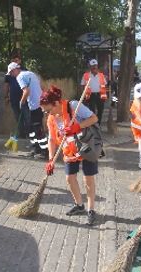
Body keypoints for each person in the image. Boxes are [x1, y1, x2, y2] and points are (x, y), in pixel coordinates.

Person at [41, 85, 100, 225]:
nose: (46, 113)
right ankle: (79, 205)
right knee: (69, 178)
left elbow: (94, 118)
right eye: (44, 111)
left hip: (86, 146)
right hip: (69, 150)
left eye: (47, 109)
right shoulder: (51, 118)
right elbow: (51, 139)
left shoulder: (73, 105)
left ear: (55, 103)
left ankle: (91, 210)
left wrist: (77, 126)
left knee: (88, 179)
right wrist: (51, 159)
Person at [8, 62, 48, 158]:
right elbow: (41, 87)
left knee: (37, 129)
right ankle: (36, 148)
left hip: (34, 105)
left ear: (15, 70)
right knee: (31, 128)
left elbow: (26, 91)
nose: (11, 75)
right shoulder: (30, 73)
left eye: (11, 72)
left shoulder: (20, 77)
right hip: (38, 104)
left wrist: (21, 102)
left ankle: (44, 152)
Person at [3, 52, 28, 138]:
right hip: (14, 98)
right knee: (18, 117)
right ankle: (22, 134)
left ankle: (30, 134)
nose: (15, 62)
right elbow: (6, 85)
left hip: (24, 98)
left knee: (26, 116)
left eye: (16, 60)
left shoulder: (24, 71)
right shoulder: (9, 72)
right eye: (13, 60)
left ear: (20, 61)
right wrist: (6, 96)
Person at [81, 59, 107, 126]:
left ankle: (98, 124)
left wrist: (105, 95)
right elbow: (82, 85)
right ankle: (94, 125)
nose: (94, 67)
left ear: (97, 66)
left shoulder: (101, 75)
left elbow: (105, 84)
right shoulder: (86, 75)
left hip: (100, 95)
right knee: (92, 112)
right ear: (90, 67)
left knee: (100, 111)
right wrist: (83, 95)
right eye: (92, 66)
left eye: (95, 66)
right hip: (90, 95)